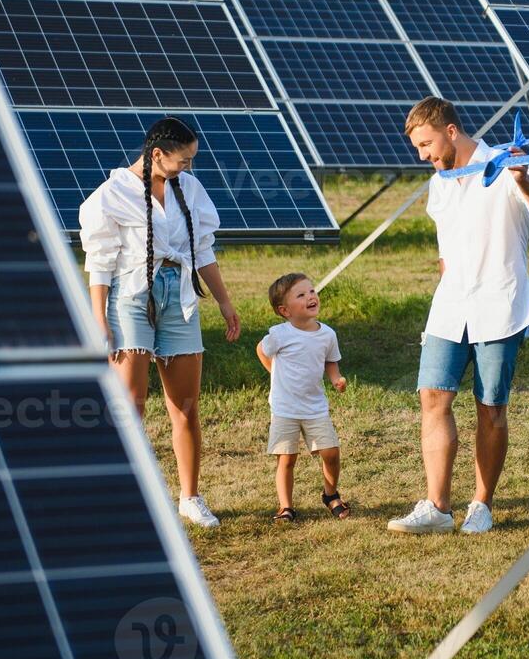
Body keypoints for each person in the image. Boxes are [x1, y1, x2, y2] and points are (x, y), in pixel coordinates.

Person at [389, 98, 529, 535]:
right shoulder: (440, 182)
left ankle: (481, 505)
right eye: (418, 149)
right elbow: (446, 248)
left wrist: (521, 178)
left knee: (490, 409)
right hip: (450, 307)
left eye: (426, 144)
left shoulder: (505, 165)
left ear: (450, 131)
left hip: (500, 307)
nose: (423, 155)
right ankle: (437, 507)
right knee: (433, 397)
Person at [80, 117, 242, 529]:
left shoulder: (189, 188)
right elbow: (99, 263)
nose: (188, 167)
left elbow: (203, 249)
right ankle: (122, 497)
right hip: (131, 297)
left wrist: (224, 302)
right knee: (130, 405)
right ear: (157, 154)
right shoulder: (112, 194)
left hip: (179, 296)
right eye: (183, 160)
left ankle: (190, 498)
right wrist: (99, 318)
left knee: (186, 407)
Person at [256, 273, 350, 523]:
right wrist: (274, 372)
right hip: (284, 409)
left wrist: (336, 378)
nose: (311, 297)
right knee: (287, 458)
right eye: (301, 295)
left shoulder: (327, 334)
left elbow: (331, 360)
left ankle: (330, 494)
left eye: (311, 291)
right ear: (284, 310)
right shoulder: (279, 334)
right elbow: (261, 350)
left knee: (330, 452)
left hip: (315, 408)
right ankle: (285, 507)